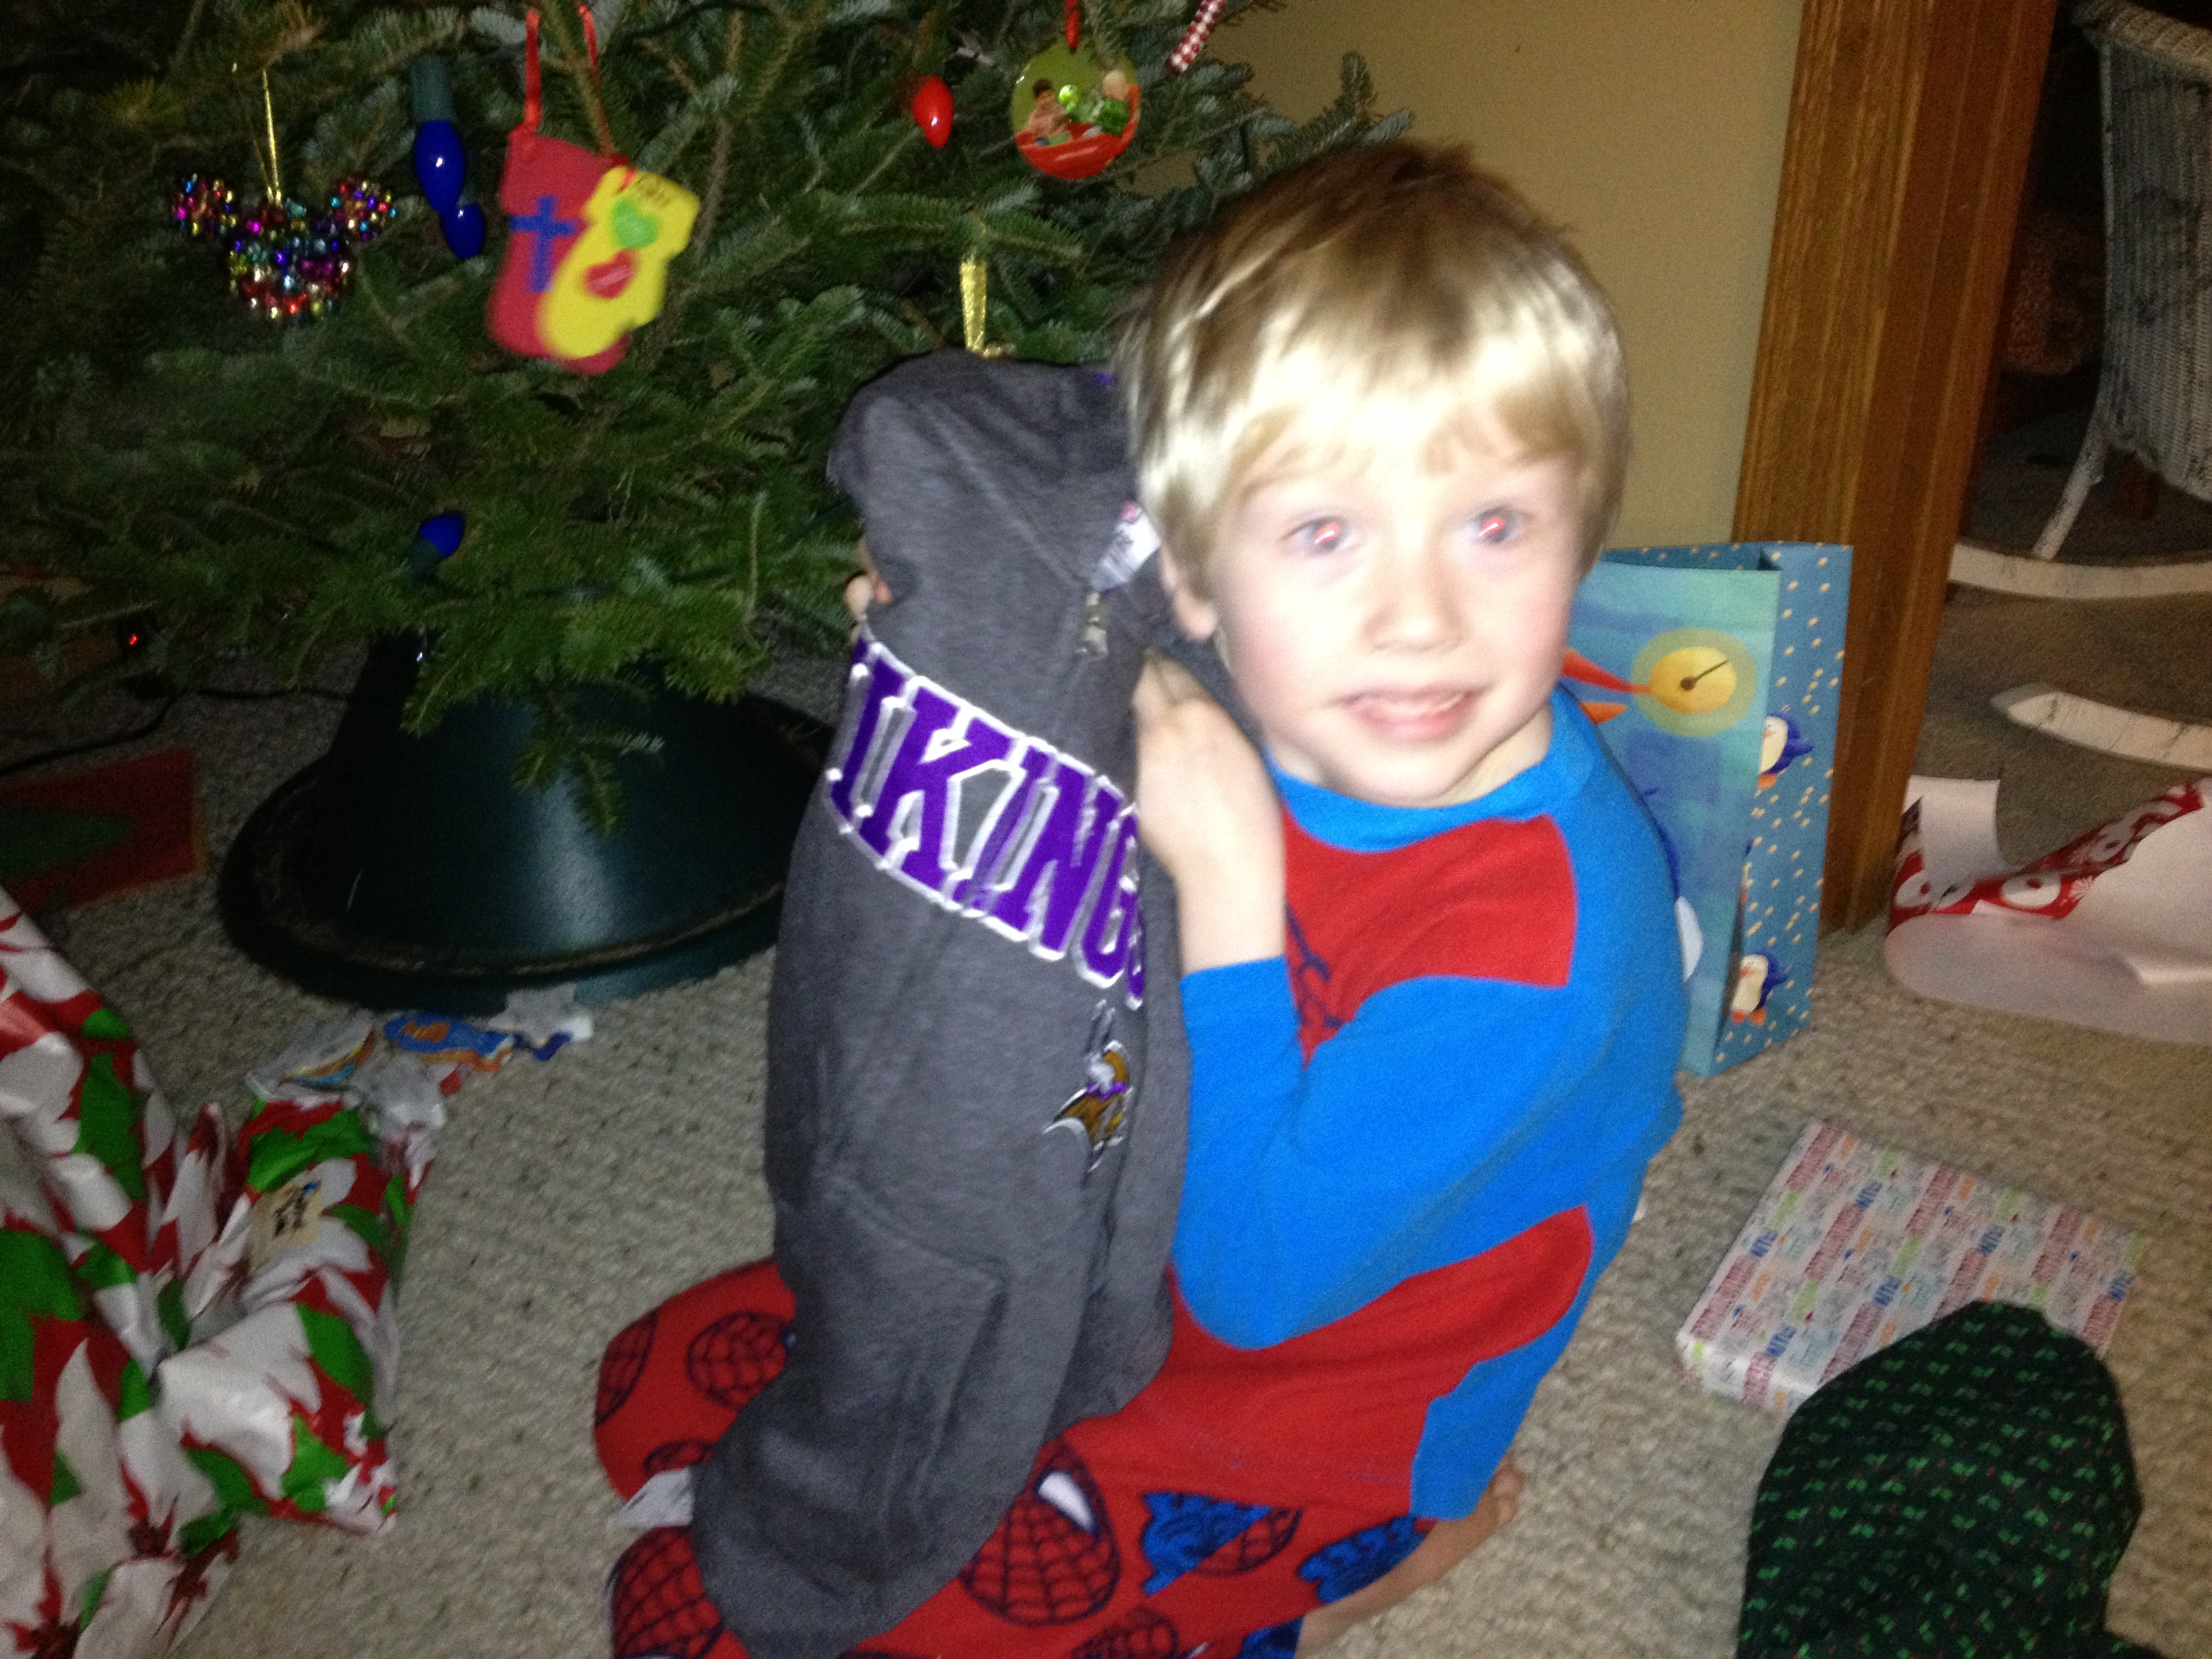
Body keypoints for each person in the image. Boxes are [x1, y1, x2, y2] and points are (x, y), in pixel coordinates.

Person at [597, 140, 1685, 1658]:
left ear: (1584, 531)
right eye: (1326, 534)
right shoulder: (1263, 667)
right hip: (1133, 1228)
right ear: (1197, 578)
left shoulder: (1534, 955)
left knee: (772, 1624)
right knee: (662, 1377)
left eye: (1494, 525)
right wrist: (950, 636)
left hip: (1316, 1387)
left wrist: (1232, 879)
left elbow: (1252, 1288)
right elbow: (1062, 560)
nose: (1419, 618)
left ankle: (1378, 1555)